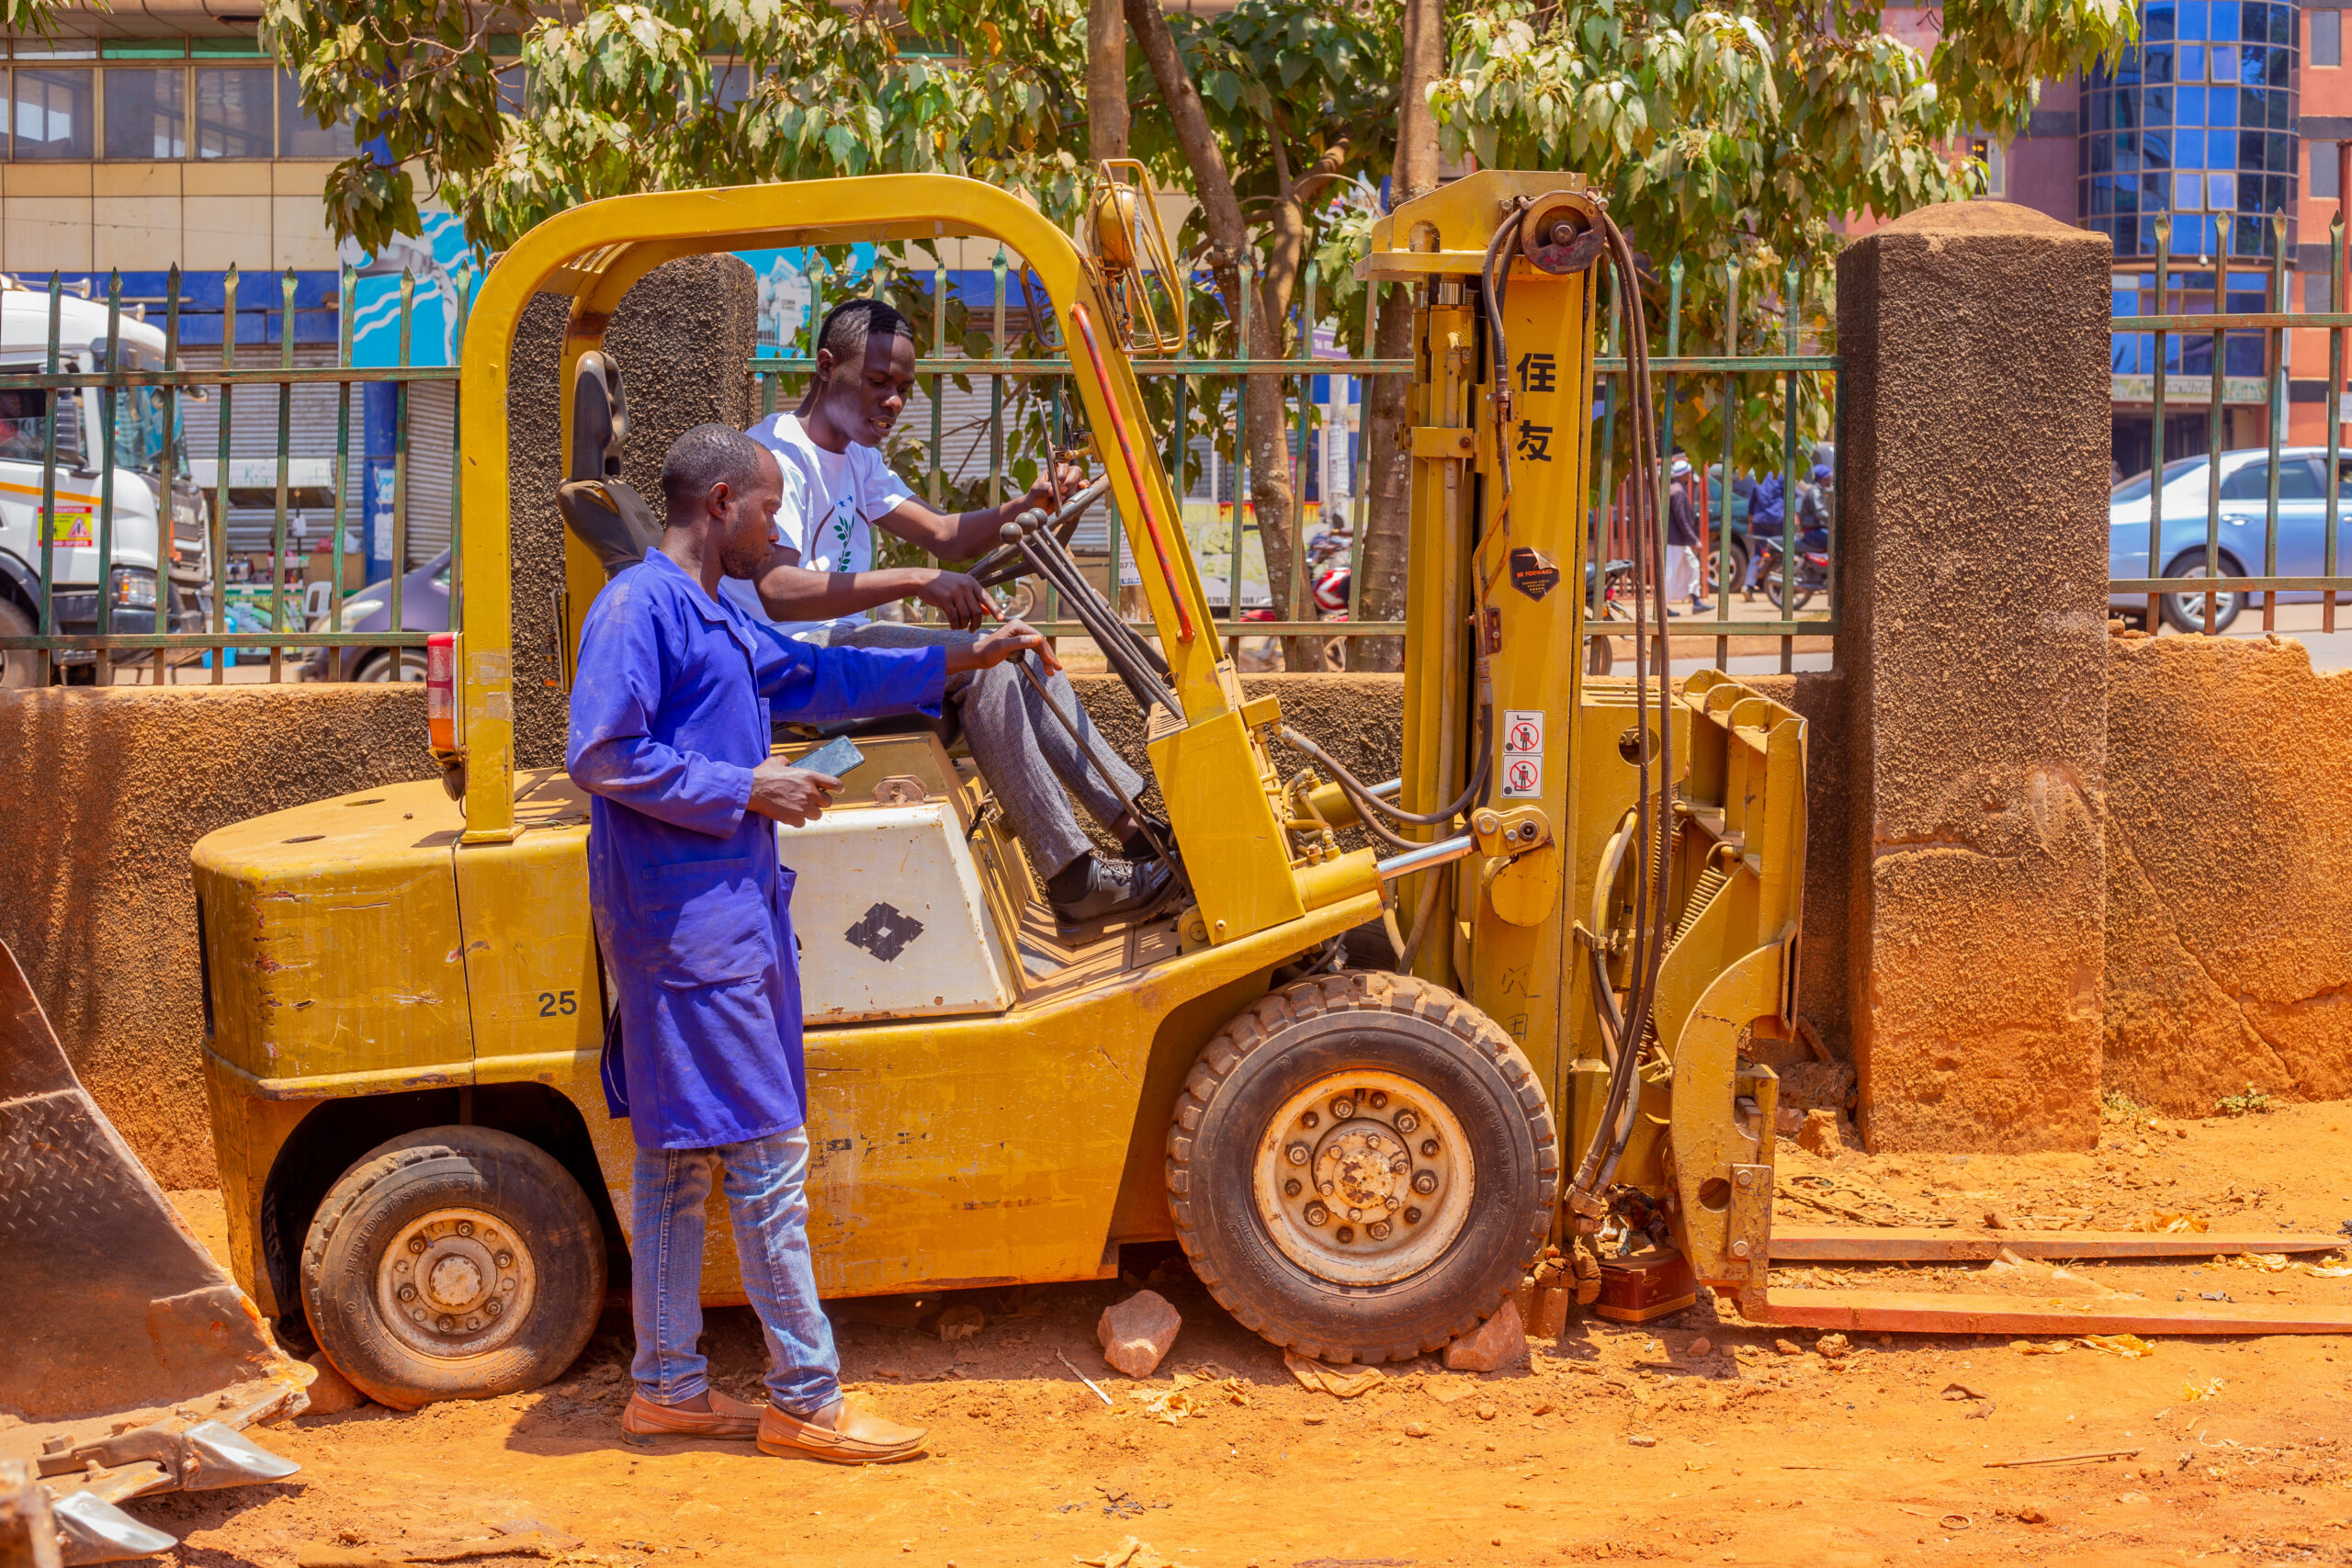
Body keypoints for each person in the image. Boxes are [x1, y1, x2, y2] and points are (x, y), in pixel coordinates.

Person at [568, 423, 1055, 1465]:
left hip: (718, 917)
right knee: (766, 1156)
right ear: (720, 505)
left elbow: (824, 679)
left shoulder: (714, 614)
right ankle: (805, 1397)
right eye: (768, 510)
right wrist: (745, 786)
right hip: (689, 932)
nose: (779, 532)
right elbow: (602, 753)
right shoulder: (640, 606)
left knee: (677, 1161)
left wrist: (970, 653)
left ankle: (666, 1388)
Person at [729, 298, 1169, 926]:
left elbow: (944, 535)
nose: (893, 402)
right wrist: (917, 578)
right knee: (983, 664)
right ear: (826, 367)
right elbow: (778, 588)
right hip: (795, 664)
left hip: (842, 647)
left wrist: (1028, 505)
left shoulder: (856, 455)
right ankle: (1073, 877)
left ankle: (1140, 831)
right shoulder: (777, 455)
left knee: (1018, 647)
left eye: (904, 389)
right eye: (878, 382)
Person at [1664, 454, 1712, 615]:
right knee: (1669, 574)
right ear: (1684, 474)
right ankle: (1662, 608)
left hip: (1679, 541)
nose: (1690, 476)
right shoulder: (1677, 491)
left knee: (1693, 566)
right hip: (1674, 541)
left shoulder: (1676, 489)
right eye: (1688, 473)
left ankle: (1696, 602)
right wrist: (1694, 540)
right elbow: (1682, 520)